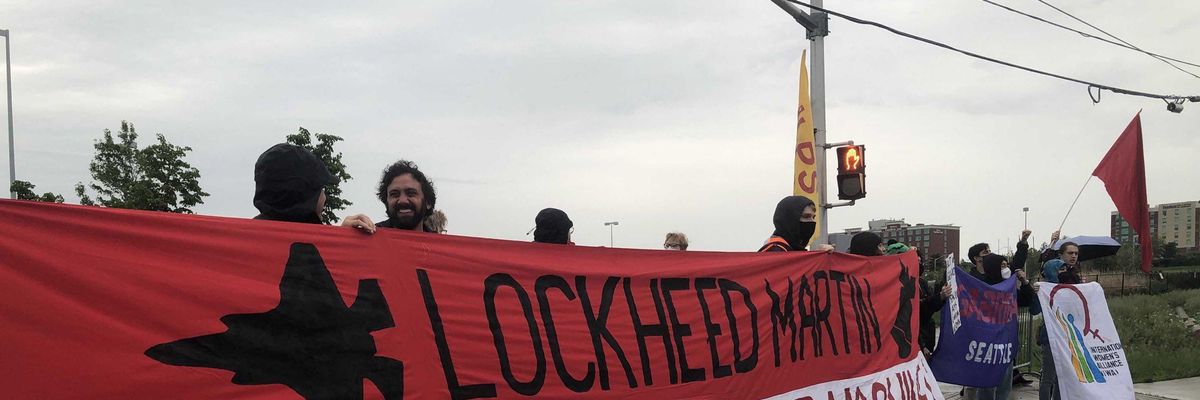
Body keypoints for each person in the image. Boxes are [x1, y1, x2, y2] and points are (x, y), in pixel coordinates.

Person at [1031, 240, 1082, 400]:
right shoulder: (1044, 287)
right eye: (1060, 268)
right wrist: (1036, 293)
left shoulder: (1070, 282)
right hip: (1051, 336)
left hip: (1068, 335)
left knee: (1063, 377)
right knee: (1048, 377)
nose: (1063, 270)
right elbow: (1034, 310)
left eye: (1076, 253)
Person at [342, 160, 437, 234]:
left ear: (428, 202)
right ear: (386, 201)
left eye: (411, 193)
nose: (402, 200)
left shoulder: (440, 248)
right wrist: (344, 237)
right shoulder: (367, 238)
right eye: (394, 194)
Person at [251, 143, 336, 224]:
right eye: (321, 189)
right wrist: (344, 236)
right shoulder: (318, 238)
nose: (324, 198)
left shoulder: (243, 236)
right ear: (307, 197)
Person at [758, 196, 834, 252]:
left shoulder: (793, 249)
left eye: (813, 217)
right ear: (789, 219)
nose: (812, 221)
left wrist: (817, 256)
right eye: (806, 216)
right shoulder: (775, 250)